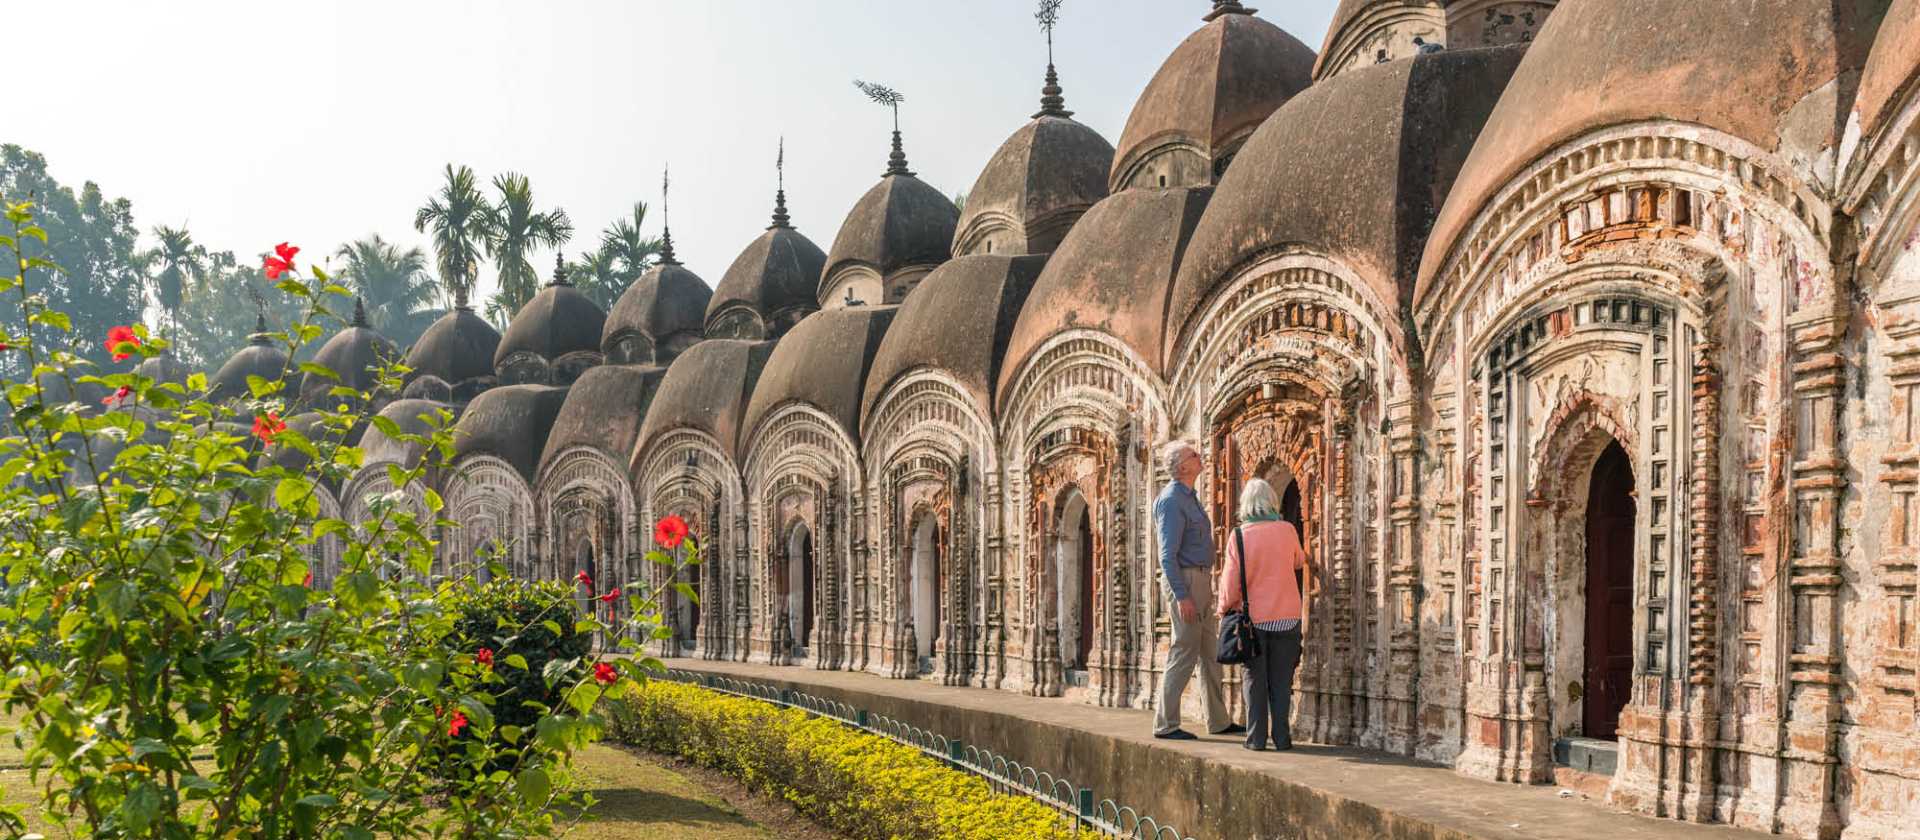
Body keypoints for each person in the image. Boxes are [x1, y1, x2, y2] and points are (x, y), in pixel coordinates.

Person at [1152, 441, 1239, 740]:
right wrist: (1182, 595)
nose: (1199, 457)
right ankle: (1166, 724)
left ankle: (1217, 720)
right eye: (1193, 455)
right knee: (1184, 649)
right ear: (1182, 466)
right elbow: (1167, 555)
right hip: (1186, 582)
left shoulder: (1189, 497)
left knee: (1210, 653)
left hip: (1199, 580)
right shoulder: (1172, 500)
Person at [1217, 478, 1306, 751]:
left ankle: (1256, 739)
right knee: (1281, 681)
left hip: (1253, 621)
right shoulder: (1288, 529)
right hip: (1288, 617)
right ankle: (1282, 738)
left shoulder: (1239, 536)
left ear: (1246, 504)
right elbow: (1299, 561)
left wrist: (1223, 608)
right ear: (1272, 502)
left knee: (1254, 681)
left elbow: (1230, 583)